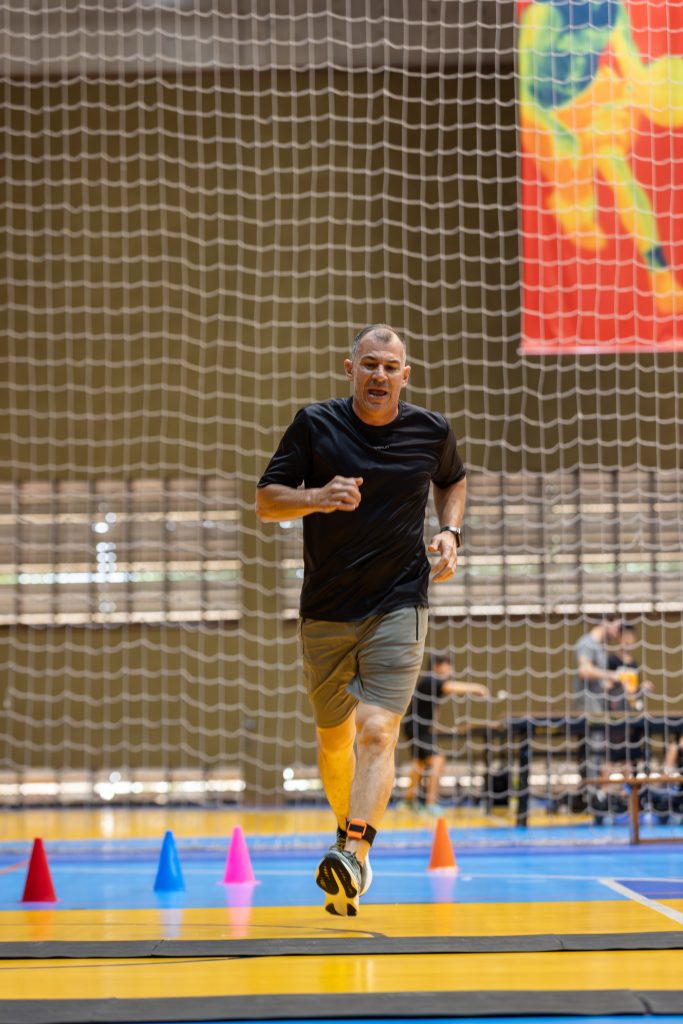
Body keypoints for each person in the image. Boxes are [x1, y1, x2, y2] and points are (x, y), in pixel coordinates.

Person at [255, 324, 467, 915]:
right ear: (350, 369)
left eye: (390, 366)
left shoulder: (431, 430)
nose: (379, 374)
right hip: (326, 610)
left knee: (378, 731)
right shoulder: (314, 425)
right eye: (369, 364)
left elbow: (452, 479)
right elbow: (266, 501)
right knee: (334, 742)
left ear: (405, 375)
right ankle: (347, 834)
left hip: (400, 602)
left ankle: (353, 851)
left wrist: (450, 531)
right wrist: (317, 497)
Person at [519, 0, 683, 313]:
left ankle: (659, 274)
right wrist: (557, 131)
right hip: (546, 114)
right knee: (579, 211)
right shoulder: (543, 15)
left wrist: (660, 87)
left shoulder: (613, 10)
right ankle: (572, 200)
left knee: (616, 166)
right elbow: (525, 95)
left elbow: (634, 71)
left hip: (593, 98)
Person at [401, 653, 489, 814]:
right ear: (437, 666)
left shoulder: (431, 685)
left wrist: (441, 728)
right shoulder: (430, 680)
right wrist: (477, 688)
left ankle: (408, 801)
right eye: (448, 664)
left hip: (416, 728)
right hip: (415, 728)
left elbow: (432, 714)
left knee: (419, 763)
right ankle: (430, 803)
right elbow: (450, 687)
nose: (451, 669)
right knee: (438, 759)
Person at [574, 613, 630, 818]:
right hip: (588, 709)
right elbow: (584, 670)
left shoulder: (600, 647)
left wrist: (613, 683)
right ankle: (593, 801)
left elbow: (598, 681)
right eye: (617, 626)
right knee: (593, 756)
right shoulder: (586, 643)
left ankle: (600, 797)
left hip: (599, 708)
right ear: (606, 622)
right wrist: (611, 674)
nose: (618, 632)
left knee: (600, 755)